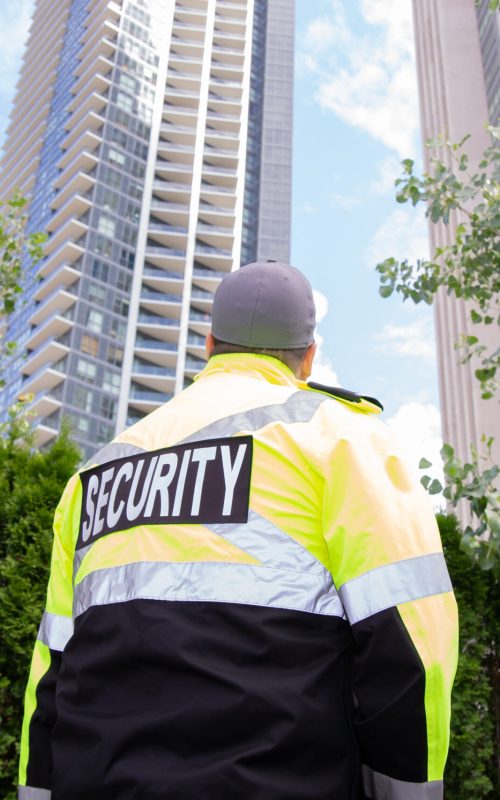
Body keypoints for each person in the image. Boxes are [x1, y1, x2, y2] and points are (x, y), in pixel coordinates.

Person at [19, 261, 458, 800]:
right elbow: (412, 640)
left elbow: (50, 675)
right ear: (309, 357)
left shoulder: (91, 478)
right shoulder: (343, 441)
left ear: (209, 345)